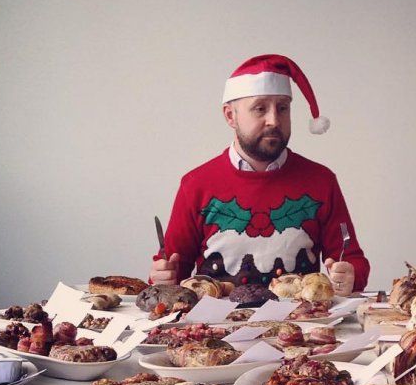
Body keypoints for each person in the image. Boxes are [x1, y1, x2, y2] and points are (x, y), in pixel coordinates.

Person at [150, 54, 369, 296]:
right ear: (230, 116)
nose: (274, 120)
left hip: (301, 324)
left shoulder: (321, 181)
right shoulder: (196, 185)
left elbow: (351, 260)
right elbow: (170, 271)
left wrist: (350, 275)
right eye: (260, 108)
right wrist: (162, 277)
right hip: (215, 327)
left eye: (282, 108)